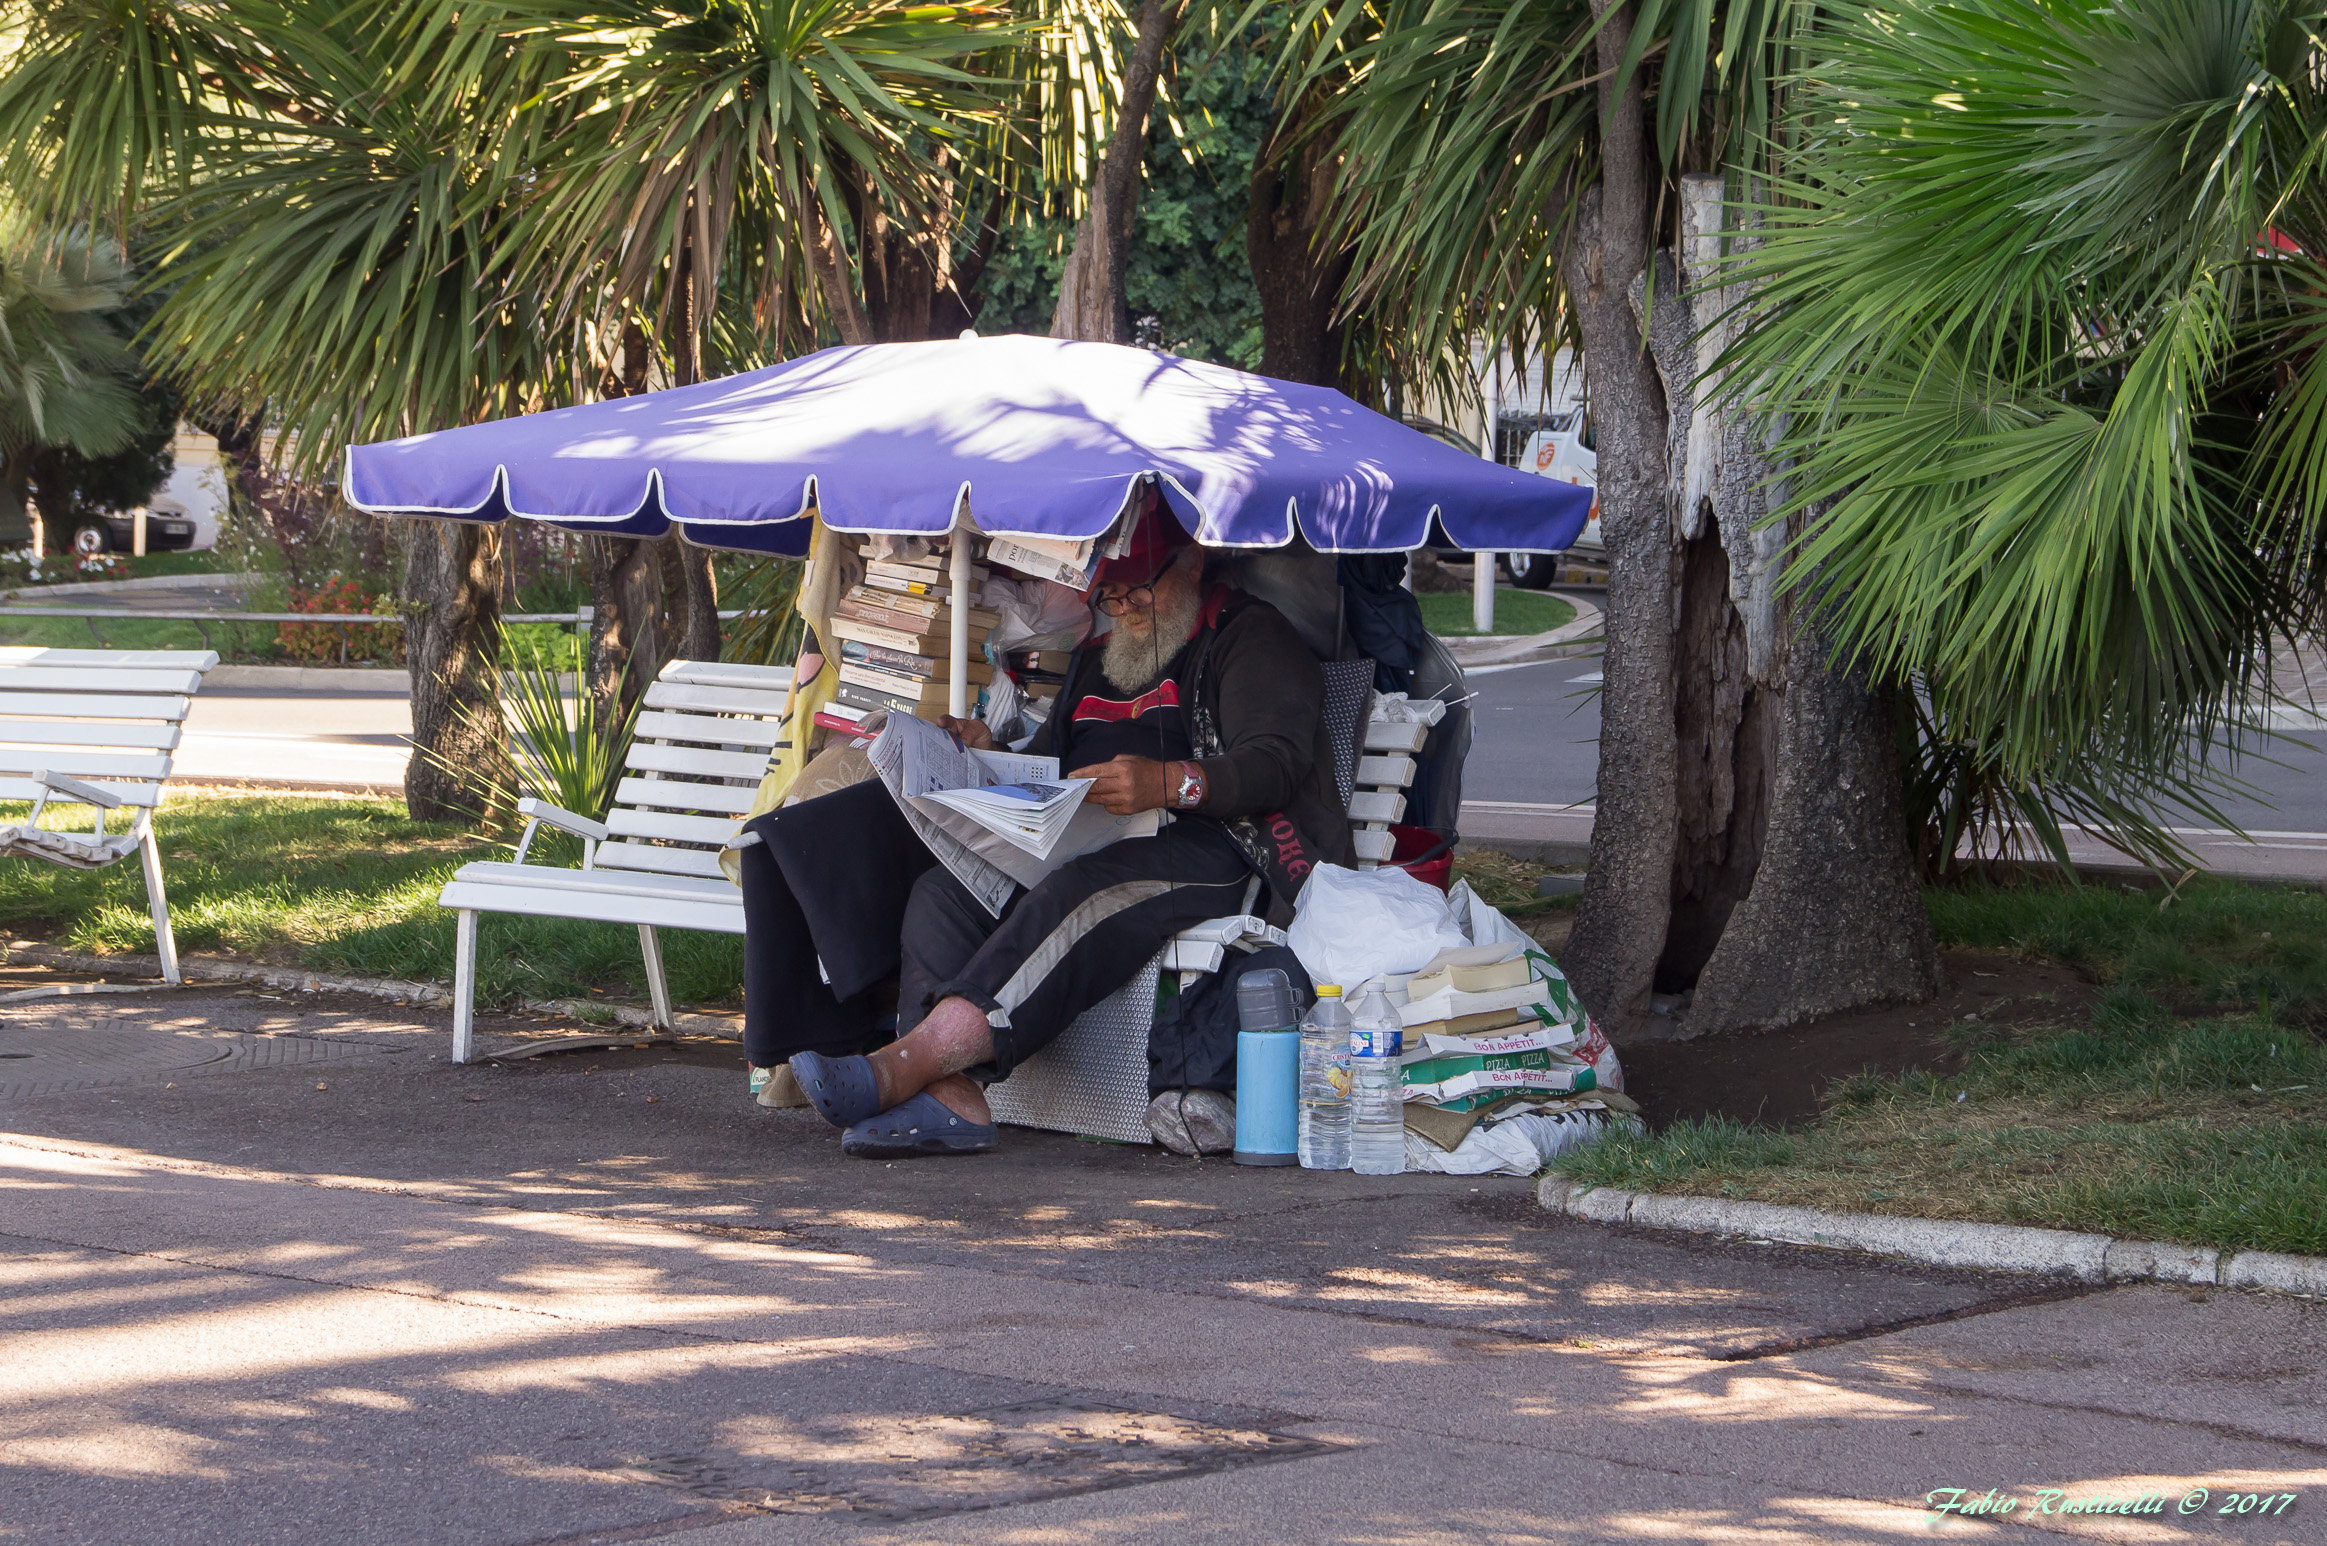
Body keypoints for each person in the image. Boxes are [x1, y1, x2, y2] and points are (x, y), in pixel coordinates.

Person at [734, 498, 1355, 1158]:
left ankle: (902, 1066)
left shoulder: (1248, 637)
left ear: (1192, 561)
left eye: (1136, 587)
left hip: (1210, 846)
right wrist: (982, 754)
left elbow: (1276, 765)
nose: (1121, 607)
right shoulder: (1102, 651)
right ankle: (953, 1103)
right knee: (942, 894)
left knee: (1081, 893)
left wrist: (1171, 781)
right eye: (1108, 593)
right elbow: (1056, 760)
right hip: (1082, 833)